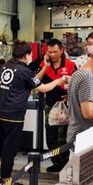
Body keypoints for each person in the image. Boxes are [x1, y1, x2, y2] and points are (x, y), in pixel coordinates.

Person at [0, 41, 69, 185]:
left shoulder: (6, 66)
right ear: (26, 55)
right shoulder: (24, 70)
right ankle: (5, 179)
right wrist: (59, 80)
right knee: (10, 147)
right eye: (30, 55)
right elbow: (42, 88)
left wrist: (46, 67)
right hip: (13, 114)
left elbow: (33, 80)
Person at [33, 39, 76, 173]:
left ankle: (65, 163)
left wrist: (70, 96)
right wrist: (45, 67)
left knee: (63, 135)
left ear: (62, 50)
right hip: (50, 105)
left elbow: (76, 82)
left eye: (55, 52)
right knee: (50, 134)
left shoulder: (70, 65)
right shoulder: (43, 64)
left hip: (66, 105)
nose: (52, 55)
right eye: (49, 52)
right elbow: (35, 81)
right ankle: (56, 162)